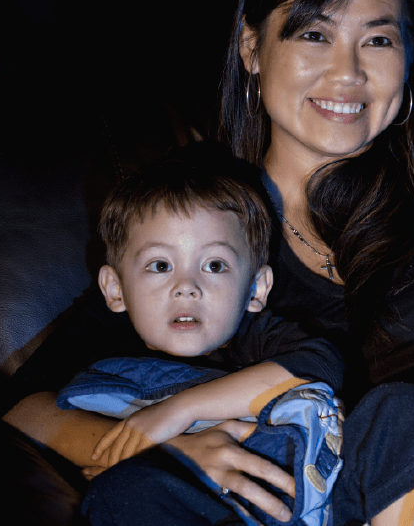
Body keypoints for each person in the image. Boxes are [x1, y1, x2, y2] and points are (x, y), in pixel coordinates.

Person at [2, 0, 414, 525]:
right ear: (252, 47)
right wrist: (143, 447)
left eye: (377, 40)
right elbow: (24, 399)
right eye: (314, 34)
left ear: (409, 59)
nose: (347, 71)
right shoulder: (202, 227)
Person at [53, 149, 343, 525]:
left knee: (398, 410)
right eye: (160, 265)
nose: (187, 287)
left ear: (256, 289)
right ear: (115, 289)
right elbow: (21, 410)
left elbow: (320, 365)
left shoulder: (258, 338)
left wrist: (180, 409)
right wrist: (157, 454)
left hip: (304, 496)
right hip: (188, 506)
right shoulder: (100, 357)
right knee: (124, 491)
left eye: (214, 266)